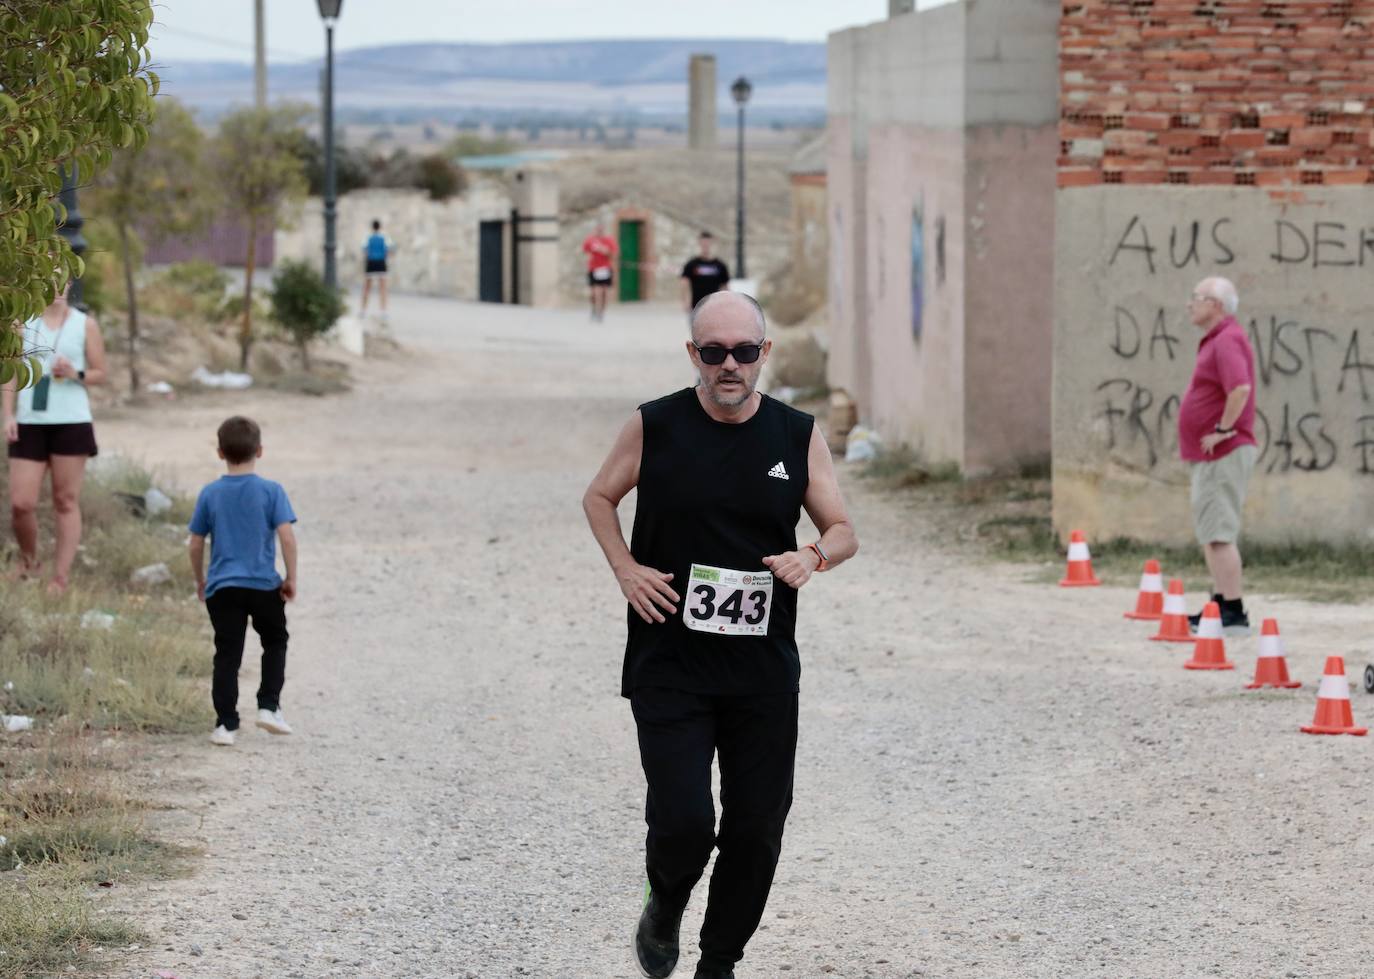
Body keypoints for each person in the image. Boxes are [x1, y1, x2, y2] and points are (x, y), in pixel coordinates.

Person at [582, 292, 858, 979]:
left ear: (765, 353)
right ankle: (666, 900)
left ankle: (719, 962)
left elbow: (842, 530)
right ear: (693, 356)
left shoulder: (796, 434)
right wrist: (626, 568)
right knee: (683, 823)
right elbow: (598, 496)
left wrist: (812, 557)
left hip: (761, 669)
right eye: (713, 352)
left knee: (757, 827)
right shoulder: (655, 425)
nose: (728, 365)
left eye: (743, 351)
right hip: (669, 659)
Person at [188, 416, 299, 747]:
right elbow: (287, 538)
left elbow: (195, 543)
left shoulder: (210, 493)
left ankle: (226, 724)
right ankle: (268, 706)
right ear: (260, 451)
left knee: (227, 653)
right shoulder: (271, 491)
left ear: (220, 452)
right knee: (275, 641)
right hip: (264, 584)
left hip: (223, 587)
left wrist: (200, 579)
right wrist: (291, 577)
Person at [2, 284, 108, 595]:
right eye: (48, 278)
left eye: (60, 278)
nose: (55, 286)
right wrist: (7, 414)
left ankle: (60, 577)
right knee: (21, 503)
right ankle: (28, 562)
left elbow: (101, 372)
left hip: (71, 421)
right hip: (30, 421)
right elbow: (9, 371)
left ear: (69, 283)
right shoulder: (22, 322)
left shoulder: (84, 323)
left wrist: (76, 372)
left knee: (65, 500)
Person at [1180, 276, 1257, 637]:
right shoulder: (1218, 340)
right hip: (1211, 454)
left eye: (1196, 298)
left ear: (1215, 304)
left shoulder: (1226, 339)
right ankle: (1222, 603)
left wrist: (1224, 429)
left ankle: (1233, 611)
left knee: (1219, 533)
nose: (1189, 304)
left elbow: (1240, 388)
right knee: (1212, 532)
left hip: (1222, 452)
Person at [680, 232, 731, 323]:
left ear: (712, 244)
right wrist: (685, 301)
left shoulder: (720, 265)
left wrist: (726, 303)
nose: (705, 246)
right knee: (696, 334)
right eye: (703, 244)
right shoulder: (692, 264)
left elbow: (725, 286)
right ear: (699, 244)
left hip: (715, 306)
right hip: (696, 306)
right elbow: (684, 283)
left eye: (708, 243)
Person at [582, 223, 617, 321]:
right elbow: (584, 251)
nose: (599, 231)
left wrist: (605, 251)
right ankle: (594, 309)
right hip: (594, 269)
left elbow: (613, 255)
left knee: (605, 293)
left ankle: (601, 312)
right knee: (595, 293)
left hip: (605, 269)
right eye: (598, 230)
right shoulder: (590, 240)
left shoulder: (609, 241)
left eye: (601, 230)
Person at [360, 219, 393, 319]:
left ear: (372, 227)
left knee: (367, 288)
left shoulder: (368, 237)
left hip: (371, 263)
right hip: (381, 263)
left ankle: (363, 310)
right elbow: (389, 250)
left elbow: (364, 250)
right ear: (380, 227)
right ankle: (383, 311)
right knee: (383, 288)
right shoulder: (385, 237)